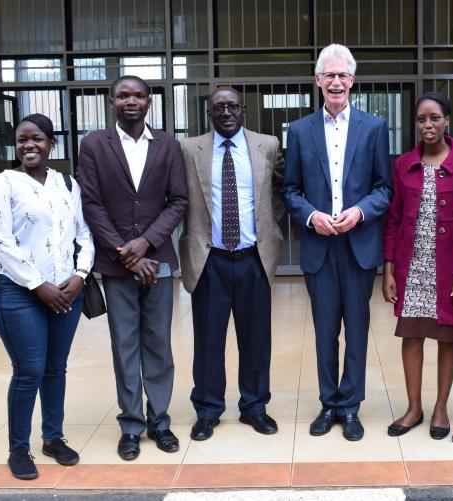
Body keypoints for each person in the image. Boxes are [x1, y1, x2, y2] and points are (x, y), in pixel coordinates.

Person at [282, 44, 392, 441]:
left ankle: (351, 406)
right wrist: (311, 216)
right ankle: (329, 403)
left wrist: (359, 212)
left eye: (343, 75)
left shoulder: (374, 128)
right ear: (317, 81)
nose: (336, 81)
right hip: (319, 247)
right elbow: (290, 189)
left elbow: (384, 188)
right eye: (329, 74)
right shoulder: (297, 131)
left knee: (358, 330)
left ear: (352, 81)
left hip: (358, 245)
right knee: (325, 330)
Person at [79, 75, 188, 461]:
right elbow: (91, 204)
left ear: (149, 102)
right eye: (123, 95)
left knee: (158, 344)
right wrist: (126, 251)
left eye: (138, 95)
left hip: (157, 260)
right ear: (111, 102)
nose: (131, 101)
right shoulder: (93, 145)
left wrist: (147, 244)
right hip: (116, 264)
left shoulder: (168, 145)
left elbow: (178, 201)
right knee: (124, 346)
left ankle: (160, 421)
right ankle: (131, 425)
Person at [0, 113, 94, 480]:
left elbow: (84, 234)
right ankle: (18, 448)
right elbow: (1, 243)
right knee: (29, 371)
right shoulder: (2, 184)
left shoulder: (66, 184)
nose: (29, 145)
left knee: (55, 369)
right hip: (20, 294)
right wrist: (38, 285)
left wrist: (79, 276)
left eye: (37, 139)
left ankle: (53, 438)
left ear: (51, 143)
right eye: (22, 140)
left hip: (66, 292)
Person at [179, 86, 284, 440]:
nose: (225, 112)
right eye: (218, 107)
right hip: (209, 259)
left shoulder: (266, 145)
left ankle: (254, 407)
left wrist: (270, 225)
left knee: (256, 339)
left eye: (232, 106)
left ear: (244, 110)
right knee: (208, 340)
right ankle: (208, 410)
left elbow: (282, 188)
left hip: (254, 258)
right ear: (209, 112)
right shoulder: (189, 149)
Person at [382, 91, 453, 440]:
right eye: (421, 119)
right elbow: (393, 218)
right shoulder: (404, 164)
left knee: (448, 337)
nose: (427, 125)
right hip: (413, 264)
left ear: (447, 121)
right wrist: (389, 268)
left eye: (434, 117)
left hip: (451, 266)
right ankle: (413, 408)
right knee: (412, 335)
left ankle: (440, 408)